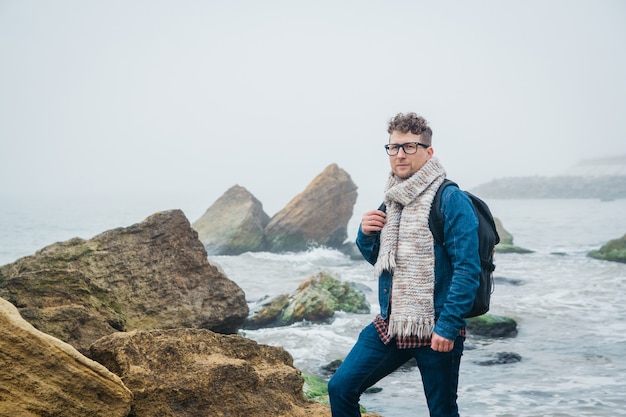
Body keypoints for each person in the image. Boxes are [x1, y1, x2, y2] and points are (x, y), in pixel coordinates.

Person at [328, 112, 481, 417]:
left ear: (429, 151)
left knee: (442, 411)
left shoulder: (450, 199)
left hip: (436, 325)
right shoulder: (393, 199)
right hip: (391, 323)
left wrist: (448, 326)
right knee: (340, 388)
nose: (399, 154)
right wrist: (366, 235)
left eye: (409, 146)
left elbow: (467, 269)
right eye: (394, 147)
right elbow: (382, 262)